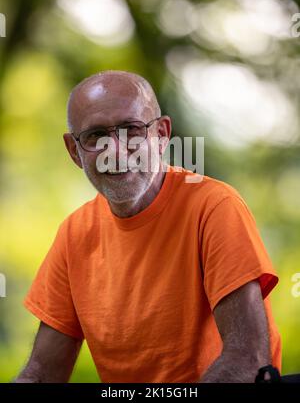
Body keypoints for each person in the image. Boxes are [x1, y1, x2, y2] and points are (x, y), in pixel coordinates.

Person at [15, 70, 281, 383]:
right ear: (75, 151)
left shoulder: (214, 207)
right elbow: (42, 374)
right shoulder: (75, 234)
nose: (115, 150)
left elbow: (247, 360)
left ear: (161, 134)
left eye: (131, 129)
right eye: (96, 136)